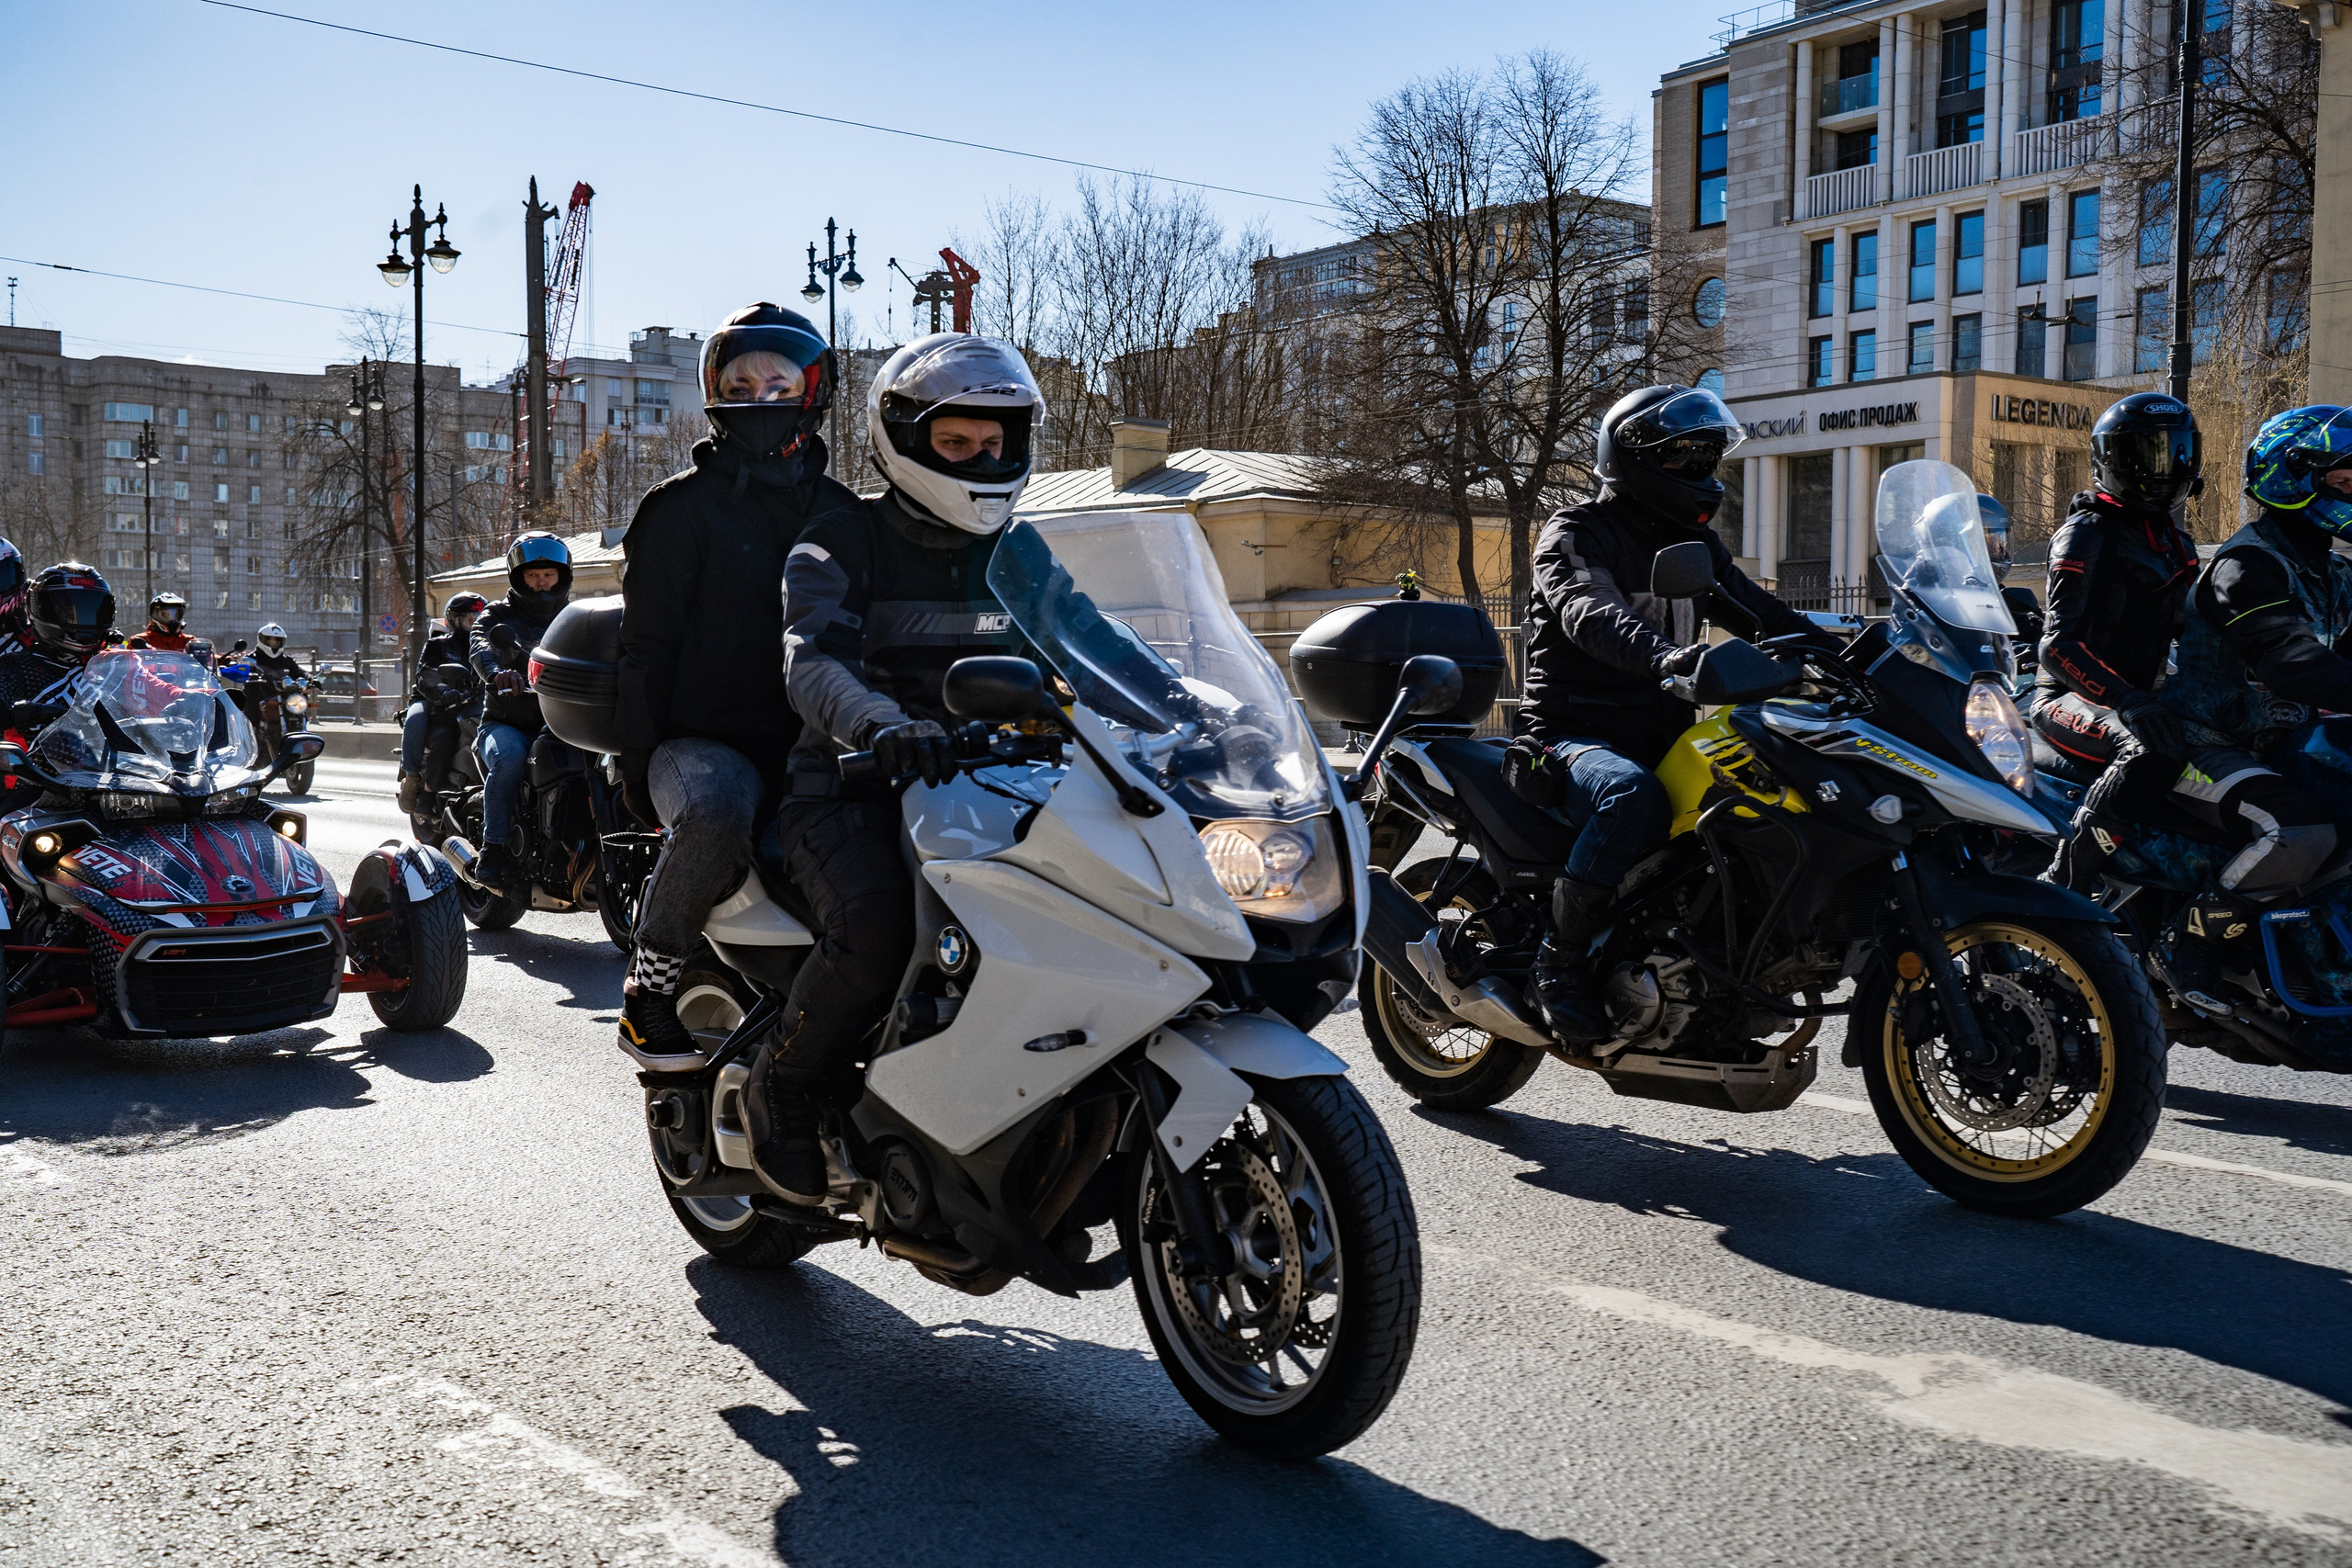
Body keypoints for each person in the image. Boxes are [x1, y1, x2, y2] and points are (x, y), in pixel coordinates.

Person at [753, 332, 1046, 1201]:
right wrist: (880, 723)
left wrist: (1183, 709)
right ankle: (785, 1086)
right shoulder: (844, 535)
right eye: (956, 442)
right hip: (852, 788)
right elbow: (809, 659)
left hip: (992, 785)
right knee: (880, 928)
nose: (978, 457)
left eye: (993, 443)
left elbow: (1098, 648)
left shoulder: (1020, 554)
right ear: (906, 438)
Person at [1514, 384, 1827, 1044]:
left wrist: (1859, 648)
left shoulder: (1695, 546)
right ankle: (1559, 961)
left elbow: (1764, 616)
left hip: (1661, 738)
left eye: (1709, 459)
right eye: (1685, 459)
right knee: (1632, 799)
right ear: (1636, 461)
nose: (1702, 475)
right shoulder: (1576, 532)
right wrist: (1665, 658)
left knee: (1758, 805)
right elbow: (1588, 611)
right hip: (1571, 737)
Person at [612, 303, 860, 1057]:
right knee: (717, 812)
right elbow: (644, 650)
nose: (759, 397)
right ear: (716, 391)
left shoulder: (847, 514)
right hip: (703, 745)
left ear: (810, 390)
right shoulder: (676, 510)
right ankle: (647, 987)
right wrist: (637, 764)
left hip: (819, 747)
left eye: (777, 383)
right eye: (741, 382)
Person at [2148, 405, 2352, 1010]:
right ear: (2294, 476)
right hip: (2204, 742)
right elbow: (2289, 661)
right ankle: (2185, 940)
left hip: (2281, 743)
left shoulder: (2335, 571)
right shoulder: (2248, 564)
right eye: (2342, 480)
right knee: (2301, 830)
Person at [467, 533, 573, 897]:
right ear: (518, 577)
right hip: (506, 723)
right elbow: (481, 645)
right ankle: (493, 849)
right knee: (510, 759)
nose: (541, 583)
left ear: (562, 575)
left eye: (548, 575)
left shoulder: (573, 615)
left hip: (563, 722)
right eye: (532, 576)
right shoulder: (497, 614)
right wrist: (497, 674)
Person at [0, 564, 117, 737]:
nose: (83, 621)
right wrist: (11, 714)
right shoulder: (19, 666)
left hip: (120, 760)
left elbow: (153, 687)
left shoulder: (112, 663)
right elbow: (3, 690)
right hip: (36, 761)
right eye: (72, 613)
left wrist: (172, 698)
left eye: (91, 611)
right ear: (42, 611)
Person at [397, 591, 486, 814]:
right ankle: (422, 785)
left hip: (478, 705)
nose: (475, 625)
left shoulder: (489, 648)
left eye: (480, 620)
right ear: (456, 621)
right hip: (442, 706)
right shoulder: (439, 645)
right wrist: (444, 691)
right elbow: (427, 674)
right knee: (441, 736)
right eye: (471, 620)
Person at [127, 592, 195, 653]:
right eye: (165, 615)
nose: (171, 620)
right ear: (154, 616)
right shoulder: (141, 640)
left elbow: (201, 663)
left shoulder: (189, 641)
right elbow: (130, 664)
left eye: (175, 615)